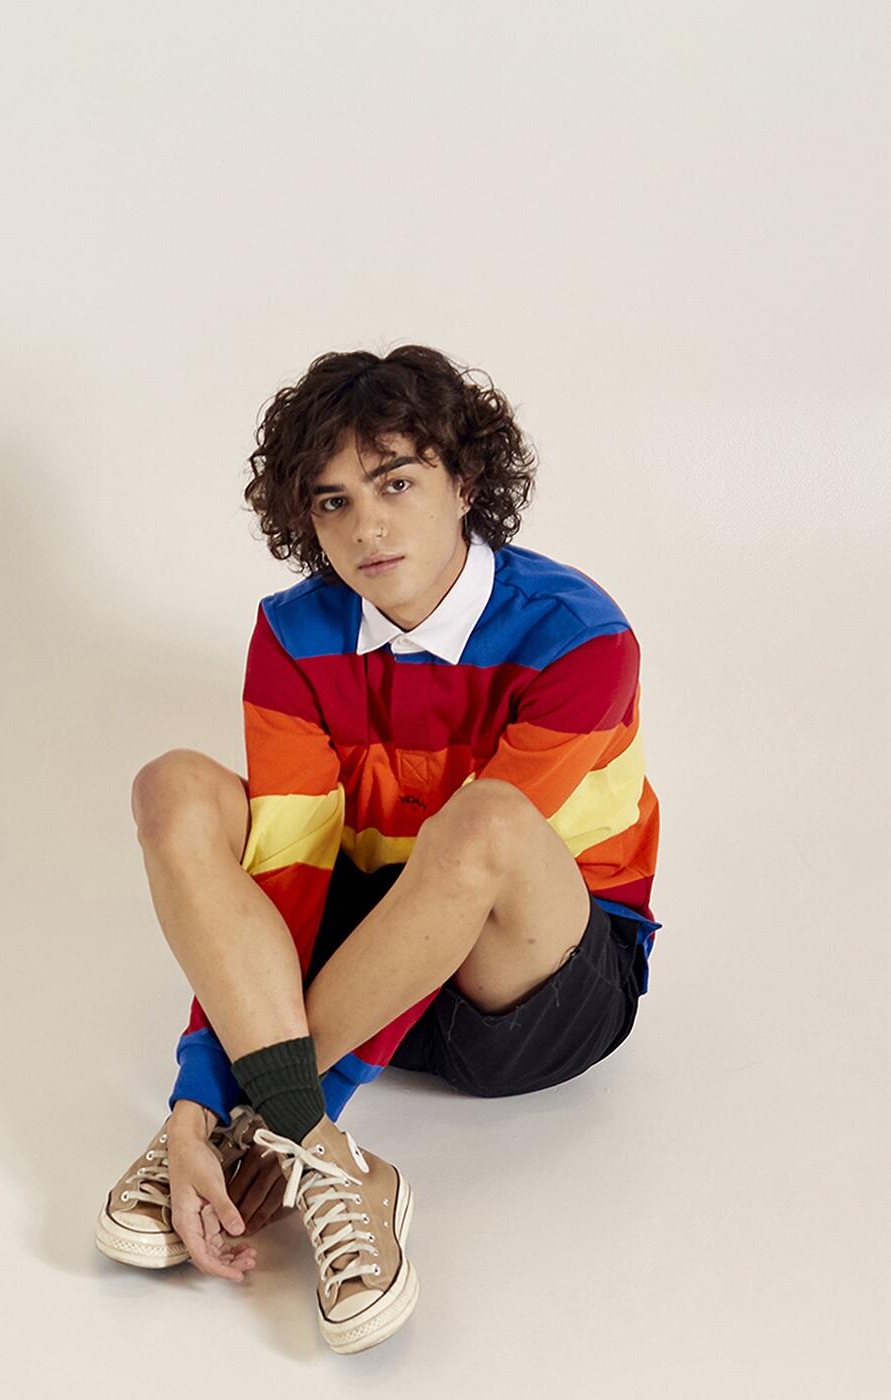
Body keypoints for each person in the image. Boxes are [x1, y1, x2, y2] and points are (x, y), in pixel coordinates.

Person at [94, 344, 662, 1355]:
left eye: (395, 482)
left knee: (481, 823)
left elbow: (469, 871)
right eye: (333, 501)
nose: (366, 527)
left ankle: (287, 1124)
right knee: (172, 786)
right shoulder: (292, 634)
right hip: (360, 948)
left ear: (465, 482)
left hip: (527, 984)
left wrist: (265, 1104)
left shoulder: (580, 637)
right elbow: (287, 873)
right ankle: (334, 1161)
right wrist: (193, 1100)